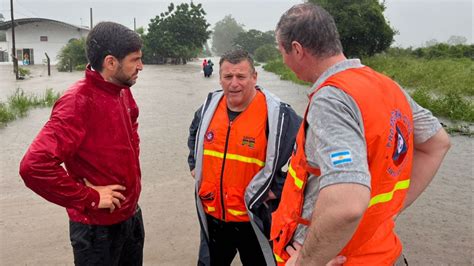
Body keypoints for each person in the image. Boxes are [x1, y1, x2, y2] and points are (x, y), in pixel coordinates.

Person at [270, 3, 451, 266]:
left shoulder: (331, 99)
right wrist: (389, 210)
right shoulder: (387, 86)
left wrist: (306, 263)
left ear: (297, 50)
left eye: (281, 51)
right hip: (383, 249)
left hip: (342, 257)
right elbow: (438, 143)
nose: (283, 61)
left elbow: (347, 205)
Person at [19, 21, 145, 266]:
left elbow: (132, 129)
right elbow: (33, 166)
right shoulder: (77, 103)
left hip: (130, 217)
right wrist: (90, 197)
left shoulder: (122, 88)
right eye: (135, 60)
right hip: (97, 231)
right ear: (111, 62)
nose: (141, 66)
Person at [188, 49, 301, 266]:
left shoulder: (278, 115)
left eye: (241, 76)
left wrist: (278, 187)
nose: (234, 84)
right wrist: (194, 164)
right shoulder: (208, 108)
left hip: (256, 221)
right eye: (228, 77)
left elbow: (303, 159)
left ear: (254, 77)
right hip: (213, 219)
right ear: (219, 77)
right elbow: (194, 133)